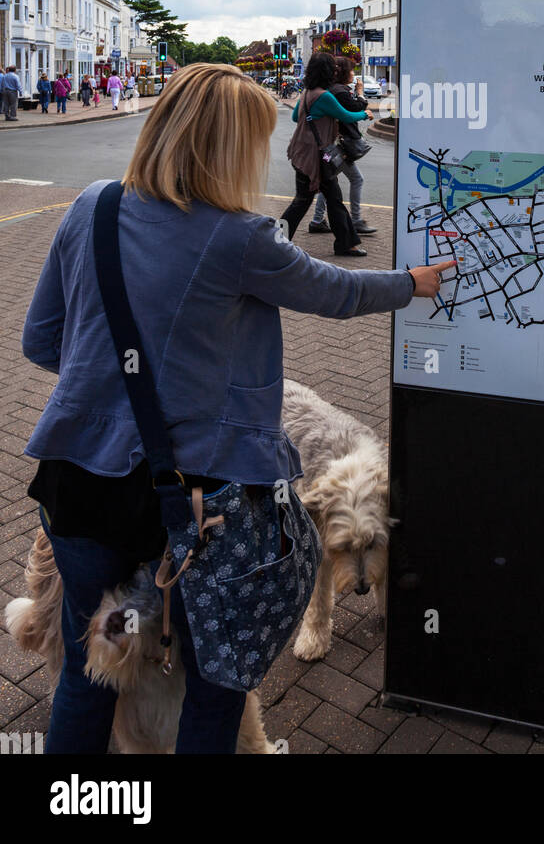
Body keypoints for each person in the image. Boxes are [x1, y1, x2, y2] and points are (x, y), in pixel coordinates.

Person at [21, 62, 454, 755]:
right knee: (214, 682)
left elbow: (42, 341)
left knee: (85, 672)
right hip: (194, 502)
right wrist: (413, 282)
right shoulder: (239, 236)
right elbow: (336, 294)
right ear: (226, 147)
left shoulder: (91, 207)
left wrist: (113, 392)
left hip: (76, 484)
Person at [281, 52, 369, 257]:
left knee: (331, 198)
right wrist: (365, 114)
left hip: (302, 153)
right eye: (334, 68)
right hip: (316, 156)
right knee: (303, 201)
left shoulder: (307, 92)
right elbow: (346, 115)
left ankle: (347, 243)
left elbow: (296, 117)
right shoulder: (324, 95)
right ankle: (276, 240)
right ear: (328, 71)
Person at [309, 56, 376, 237]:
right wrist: (360, 93)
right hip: (339, 145)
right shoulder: (339, 92)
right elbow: (353, 111)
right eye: (352, 70)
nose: (354, 74)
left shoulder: (331, 90)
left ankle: (317, 220)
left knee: (329, 181)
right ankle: (355, 221)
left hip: (332, 144)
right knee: (356, 179)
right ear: (345, 72)